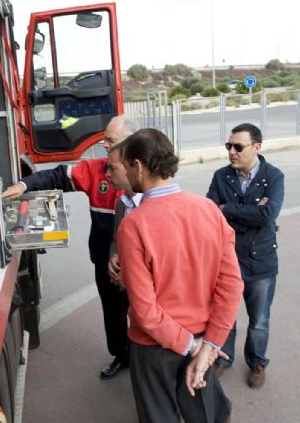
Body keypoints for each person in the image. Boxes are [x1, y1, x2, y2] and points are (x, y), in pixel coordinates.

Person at [116, 128, 243, 423]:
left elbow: (146, 313)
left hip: (154, 349)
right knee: (205, 415)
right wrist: (209, 345)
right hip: (201, 338)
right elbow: (232, 284)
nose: (123, 173)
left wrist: (193, 346)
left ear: (138, 166)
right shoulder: (209, 210)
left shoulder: (134, 226)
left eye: (124, 166)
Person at [1, 115, 140, 380]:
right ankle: (121, 356)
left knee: (145, 315)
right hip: (105, 262)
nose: (104, 145)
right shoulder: (96, 170)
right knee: (113, 315)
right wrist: (24, 184)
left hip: (140, 266)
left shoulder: (148, 178)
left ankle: (146, 364)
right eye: (104, 139)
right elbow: (58, 175)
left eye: (110, 140)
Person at [206, 122, 285, 389]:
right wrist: (249, 211)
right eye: (229, 146)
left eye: (238, 147)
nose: (231, 151)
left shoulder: (273, 177)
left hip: (261, 261)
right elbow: (210, 213)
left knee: (259, 319)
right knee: (224, 314)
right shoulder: (221, 176)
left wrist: (227, 208)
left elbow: (267, 215)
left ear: (257, 147)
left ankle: (257, 362)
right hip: (227, 259)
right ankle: (223, 358)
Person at [105, 142, 142, 291]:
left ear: (133, 167)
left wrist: (130, 276)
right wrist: (114, 256)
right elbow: (116, 240)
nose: (107, 174)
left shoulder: (152, 206)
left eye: (113, 168)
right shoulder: (122, 203)